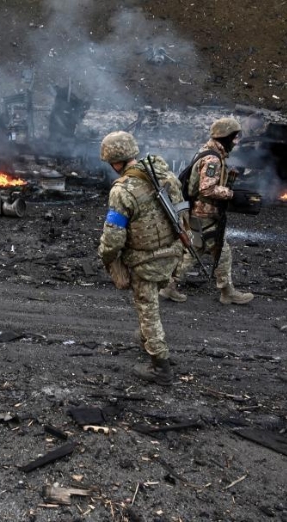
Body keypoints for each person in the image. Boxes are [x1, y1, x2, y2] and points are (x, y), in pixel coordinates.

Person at [97, 130, 185, 386]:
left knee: (148, 310)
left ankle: (160, 366)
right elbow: (182, 213)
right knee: (152, 302)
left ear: (116, 161)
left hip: (145, 261)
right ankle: (148, 340)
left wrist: (106, 257)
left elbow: (113, 237)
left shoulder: (122, 191)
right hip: (172, 253)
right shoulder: (166, 176)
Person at [160, 117, 254, 305]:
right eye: (234, 138)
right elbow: (206, 189)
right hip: (204, 213)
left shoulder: (207, 151)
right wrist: (231, 194)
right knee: (221, 251)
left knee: (196, 249)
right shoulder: (213, 159)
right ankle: (227, 292)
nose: (236, 143)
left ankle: (169, 286)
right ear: (225, 137)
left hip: (197, 212)